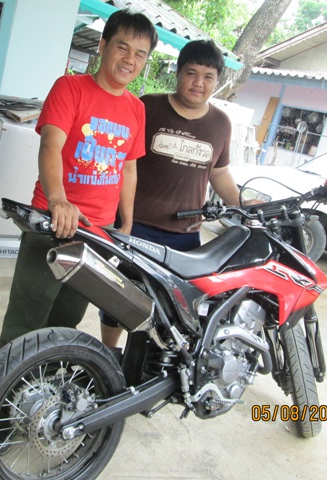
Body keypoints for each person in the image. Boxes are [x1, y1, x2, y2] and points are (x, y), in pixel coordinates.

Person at [0, 9, 158, 348]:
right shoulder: (70, 88)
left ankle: (48, 372)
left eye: (140, 54)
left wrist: (127, 222)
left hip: (98, 232)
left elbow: (128, 168)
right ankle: (9, 376)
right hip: (52, 221)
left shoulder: (137, 109)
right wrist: (59, 200)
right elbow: (50, 146)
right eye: (122, 47)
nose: (130, 59)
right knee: (28, 313)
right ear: (103, 46)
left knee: (68, 315)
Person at [101, 39, 245, 348]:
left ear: (217, 81)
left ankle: (146, 363)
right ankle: (108, 353)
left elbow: (219, 173)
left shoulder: (220, 124)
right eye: (191, 73)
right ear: (178, 73)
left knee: (171, 309)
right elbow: (122, 161)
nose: (199, 83)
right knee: (121, 298)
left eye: (208, 77)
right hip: (136, 225)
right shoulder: (148, 107)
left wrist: (242, 203)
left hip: (185, 236)